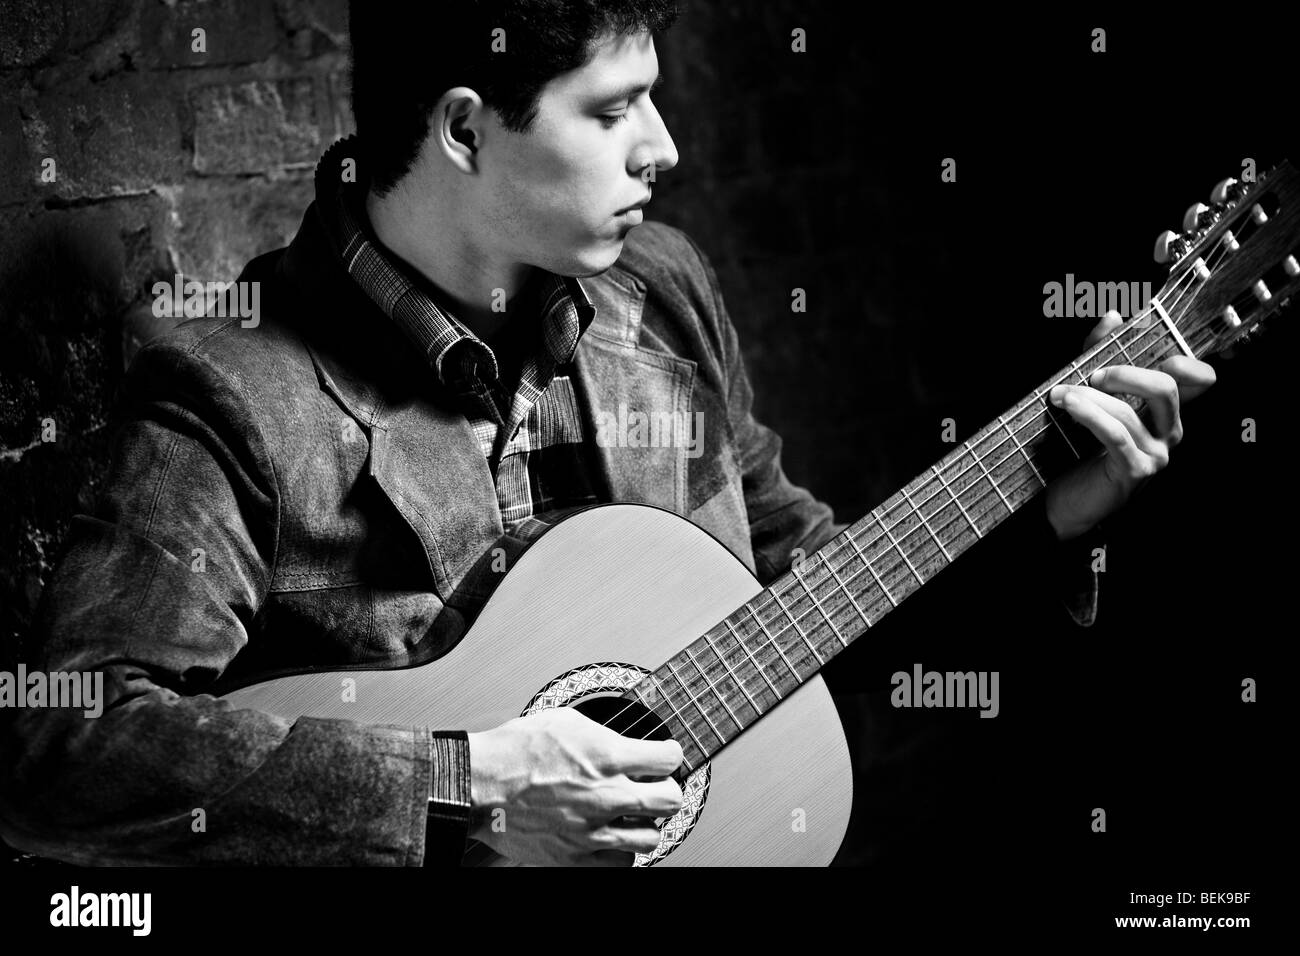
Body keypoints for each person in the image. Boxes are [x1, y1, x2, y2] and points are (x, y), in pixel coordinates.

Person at [0, 0, 1215, 866]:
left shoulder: (662, 295)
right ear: (466, 129)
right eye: (616, 107)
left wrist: (1041, 515)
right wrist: (466, 784)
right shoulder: (235, 395)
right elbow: (59, 743)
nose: (666, 149)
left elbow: (800, 592)